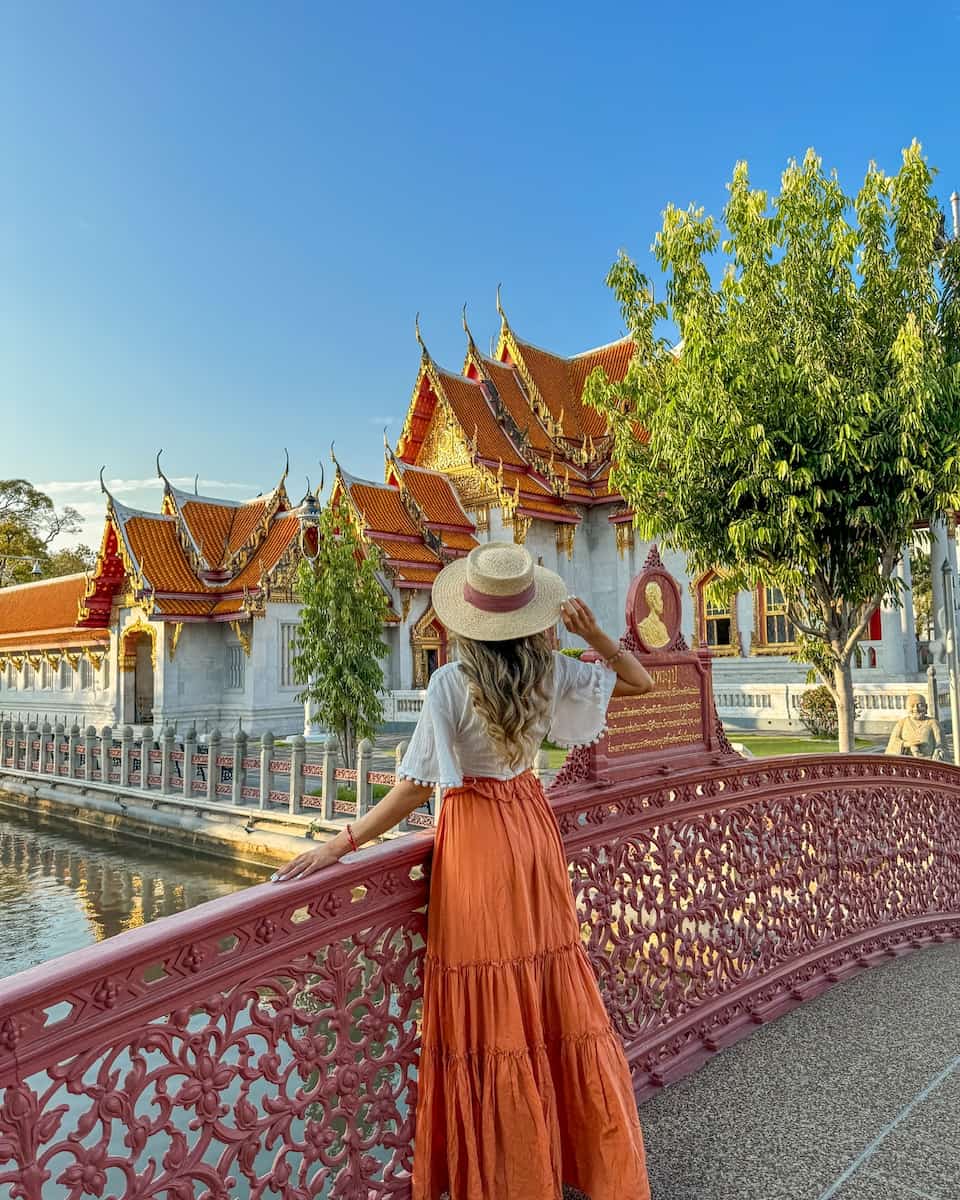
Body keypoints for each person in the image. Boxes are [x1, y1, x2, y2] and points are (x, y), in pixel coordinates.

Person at [274, 541, 655, 1200]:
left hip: (477, 839)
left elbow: (417, 787)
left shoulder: (451, 682)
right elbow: (641, 683)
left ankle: (512, 1173)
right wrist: (595, 635)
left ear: (469, 621)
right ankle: (574, 1158)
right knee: (544, 979)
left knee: (491, 1002)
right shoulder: (550, 669)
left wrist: (343, 843)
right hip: (532, 831)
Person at [885, 692, 945, 760]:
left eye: (919, 705)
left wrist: (938, 752)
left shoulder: (933, 723)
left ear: (926, 707)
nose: (916, 709)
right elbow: (892, 744)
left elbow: (941, 745)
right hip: (907, 763)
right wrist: (906, 744)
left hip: (928, 763)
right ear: (907, 708)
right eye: (912, 706)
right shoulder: (902, 723)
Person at [636, 579, 670, 649]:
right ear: (653, 601)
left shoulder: (662, 627)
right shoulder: (642, 628)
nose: (662, 603)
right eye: (660, 598)